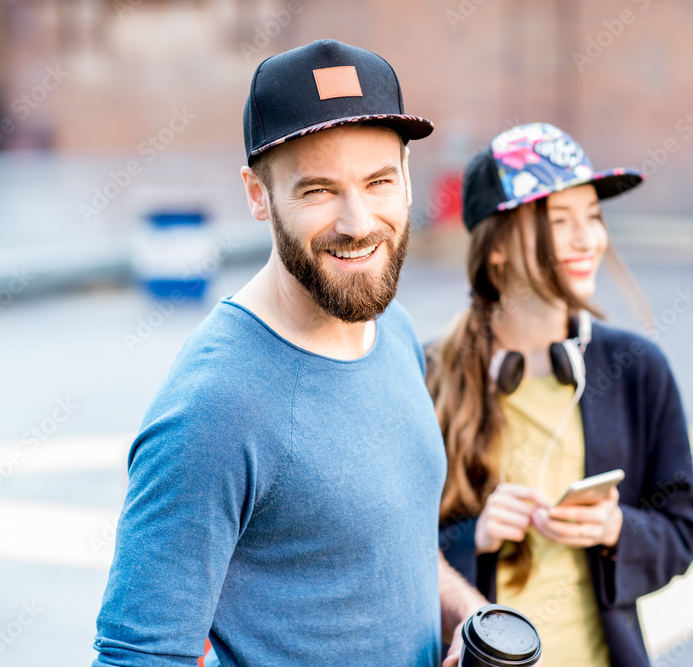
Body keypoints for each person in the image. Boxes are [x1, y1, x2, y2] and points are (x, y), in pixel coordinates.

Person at [92, 39, 487, 667]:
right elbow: (137, 656)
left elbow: (399, 549)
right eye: (319, 190)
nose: (358, 221)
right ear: (257, 194)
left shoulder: (394, 329)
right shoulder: (216, 406)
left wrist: (468, 616)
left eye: (379, 181)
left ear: (407, 178)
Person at [427, 123, 693, 667]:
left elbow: (683, 531)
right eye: (560, 221)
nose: (589, 240)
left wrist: (617, 528)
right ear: (497, 250)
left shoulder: (638, 371)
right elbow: (388, 551)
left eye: (593, 217)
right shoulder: (426, 375)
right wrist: (474, 537)